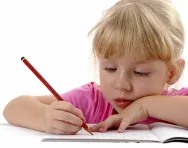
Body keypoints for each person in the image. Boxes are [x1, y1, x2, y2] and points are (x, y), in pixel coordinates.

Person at [3, 0, 188, 135]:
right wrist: (44, 117)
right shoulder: (93, 100)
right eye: (110, 68)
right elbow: (13, 107)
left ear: (172, 73)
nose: (121, 84)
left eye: (140, 72)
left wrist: (145, 106)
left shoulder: (178, 102)